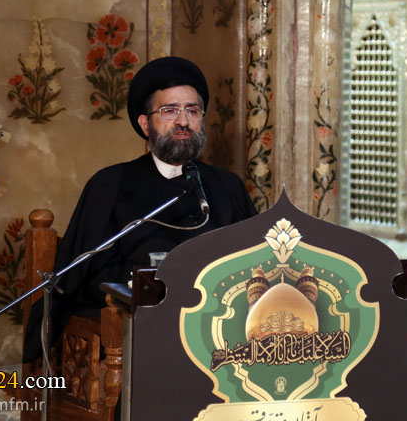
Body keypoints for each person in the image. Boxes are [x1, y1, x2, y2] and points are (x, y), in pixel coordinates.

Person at [23, 56, 256, 362]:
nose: (183, 121)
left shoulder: (227, 186)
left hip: (221, 336)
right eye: (169, 111)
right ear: (146, 124)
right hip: (140, 335)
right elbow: (84, 279)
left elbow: (256, 265)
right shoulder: (110, 185)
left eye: (192, 111)